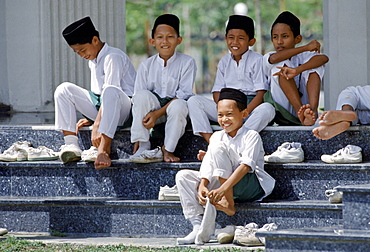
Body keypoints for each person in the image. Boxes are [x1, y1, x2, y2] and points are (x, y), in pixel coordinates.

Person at [176, 88, 275, 245]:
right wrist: (203, 184)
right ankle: (197, 226)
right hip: (227, 184)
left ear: (244, 114)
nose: (224, 119)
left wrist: (221, 191)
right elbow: (209, 161)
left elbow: (244, 167)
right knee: (183, 176)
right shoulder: (217, 136)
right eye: (220, 115)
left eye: (229, 114)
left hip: (249, 185)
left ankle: (228, 205)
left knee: (217, 149)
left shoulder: (251, 136)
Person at [55, 16, 136, 169]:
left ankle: (103, 150)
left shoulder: (113, 56)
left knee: (111, 91)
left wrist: (97, 124)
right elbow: (98, 96)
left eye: (83, 50)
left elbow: (111, 93)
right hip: (105, 108)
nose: (81, 55)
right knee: (63, 89)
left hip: (125, 111)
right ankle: (71, 145)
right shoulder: (93, 60)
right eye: (77, 52)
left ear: (95, 40)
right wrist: (92, 118)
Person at [188, 15, 274, 144]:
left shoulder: (257, 60)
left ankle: (235, 143)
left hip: (248, 109)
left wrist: (243, 113)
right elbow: (217, 91)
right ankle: (213, 144)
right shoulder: (224, 61)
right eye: (231, 38)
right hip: (226, 108)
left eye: (240, 38)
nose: (235, 42)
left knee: (268, 109)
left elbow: (261, 93)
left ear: (251, 41)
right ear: (225, 39)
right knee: (194, 101)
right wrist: (223, 113)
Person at [129, 14, 196, 163]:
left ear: (178, 40)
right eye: (160, 37)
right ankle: (143, 146)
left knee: (179, 105)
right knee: (141, 96)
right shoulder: (146, 65)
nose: (164, 41)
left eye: (170, 37)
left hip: (176, 114)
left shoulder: (187, 62)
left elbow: (184, 94)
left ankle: (168, 150)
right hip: (151, 115)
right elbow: (138, 98)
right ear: (152, 41)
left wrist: (157, 114)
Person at [263, 11, 329, 126]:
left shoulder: (303, 57)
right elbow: (274, 59)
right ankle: (301, 114)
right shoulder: (269, 56)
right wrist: (306, 47)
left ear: (297, 39)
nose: (279, 41)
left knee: (313, 66)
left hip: (306, 107)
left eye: (285, 36)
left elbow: (323, 58)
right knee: (281, 67)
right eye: (275, 37)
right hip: (282, 111)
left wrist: (298, 70)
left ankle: (312, 112)